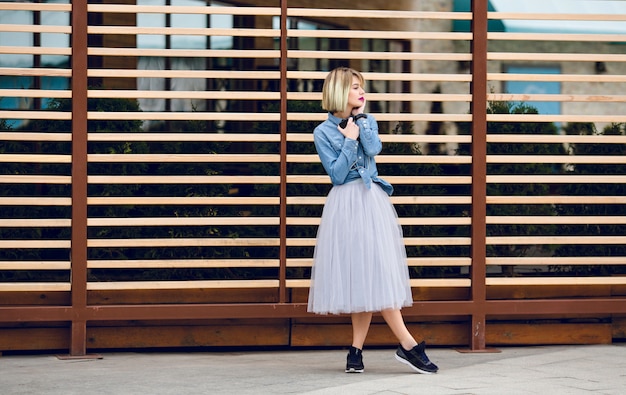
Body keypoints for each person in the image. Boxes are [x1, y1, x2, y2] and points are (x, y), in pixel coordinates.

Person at [307, 67, 438, 375]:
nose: (361, 91)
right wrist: (349, 139)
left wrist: (361, 123)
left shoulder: (368, 121)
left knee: (374, 271)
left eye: (361, 87)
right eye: (354, 87)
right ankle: (406, 345)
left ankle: (358, 351)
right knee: (363, 275)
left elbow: (375, 149)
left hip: (372, 201)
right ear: (339, 91)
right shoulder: (322, 132)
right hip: (346, 204)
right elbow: (337, 175)